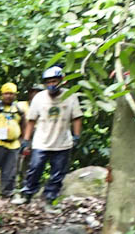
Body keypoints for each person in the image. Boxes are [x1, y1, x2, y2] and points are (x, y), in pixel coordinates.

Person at [12, 66, 83, 205]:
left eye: (54, 81)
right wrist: (26, 140)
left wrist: (76, 135)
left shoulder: (70, 96)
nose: (51, 84)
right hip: (41, 141)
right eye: (48, 82)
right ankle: (27, 194)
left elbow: (77, 117)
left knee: (57, 173)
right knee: (35, 168)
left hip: (62, 142)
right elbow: (31, 120)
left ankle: (50, 198)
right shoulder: (39, 98)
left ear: (62, 81)